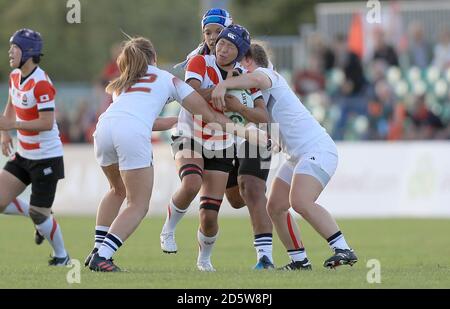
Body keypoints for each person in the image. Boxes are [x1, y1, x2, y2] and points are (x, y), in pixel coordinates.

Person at [84, 36, 265, 272]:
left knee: (117, 190)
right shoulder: (167, 79)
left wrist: (173, 122)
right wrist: (248, 134)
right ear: (154, 58)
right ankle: (103, 256)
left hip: (104, 129)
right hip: (132, 133)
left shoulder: (124, 83)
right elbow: (208, 116)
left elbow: (140, 117)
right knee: (137, 205)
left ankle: (97, 249)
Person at [212, 43, 358, 270]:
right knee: (276, 206)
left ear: (249, 60)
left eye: (240, 62)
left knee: (300, 201)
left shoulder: (267, 75)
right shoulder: (259, 90)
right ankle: (299, 261)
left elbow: (256, 80)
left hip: (317, 149)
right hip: (298, 155)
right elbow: (271, 130)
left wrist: (223, 84)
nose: (237, 68)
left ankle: (343, 248)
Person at [163, 9, 275, 270]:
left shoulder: (245, 76)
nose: (218, 43)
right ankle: (168, 229)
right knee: (191, 183)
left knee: (210, 214)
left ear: (241, 51)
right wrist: (220, 91)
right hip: (190, 133)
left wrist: (239, 107)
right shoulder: (199, 61)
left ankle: (204, 260)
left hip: (222, 142)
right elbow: (189, 95)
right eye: (213, 36)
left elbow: (262, 115)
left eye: (225, 41)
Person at [0, 29, 70, 266]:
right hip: (23, 154)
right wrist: (4, 133)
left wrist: (13, 124)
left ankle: (62, 257)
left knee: (39, 216)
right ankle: (41, 214)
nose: (10, 51)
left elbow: (46, 122)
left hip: (46, 159)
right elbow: (10, 108)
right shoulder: (14, 76)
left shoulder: (41, 83)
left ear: (28, 52)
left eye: (15, 47)